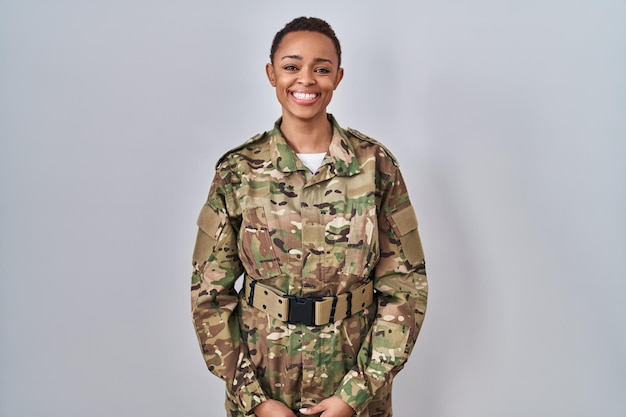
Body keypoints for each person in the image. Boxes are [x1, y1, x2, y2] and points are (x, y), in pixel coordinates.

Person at [191, 16, 428, 417]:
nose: (306, 80)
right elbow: (208, 294)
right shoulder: (238, 171)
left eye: (321, 69)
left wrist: (355, 394)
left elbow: (406, 287)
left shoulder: (376, 166)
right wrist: (254, 400)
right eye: (291, 66)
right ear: (271, 74)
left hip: (354, 383)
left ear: (338, 77)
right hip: (265, 384)